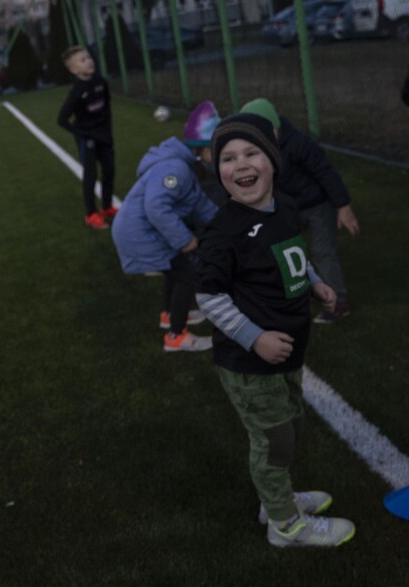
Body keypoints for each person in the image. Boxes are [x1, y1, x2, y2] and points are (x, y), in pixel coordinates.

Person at [195, 113, 355, 548]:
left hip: (289, 352)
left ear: (273, 160)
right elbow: (208, 297)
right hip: (250, 362)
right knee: (273, 441)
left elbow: (292, 253)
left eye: (252, 152)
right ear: (218, 170)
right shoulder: (223, 233)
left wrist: (316, 281)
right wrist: (254, 337)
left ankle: (277, 498)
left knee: (290, 426)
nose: (240, 164)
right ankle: (284, 526)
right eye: (228, 157)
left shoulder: (283, 204)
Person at [111, 101, 221, 352]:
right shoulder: (176, 168)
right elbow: (156, 208)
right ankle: (176, 337)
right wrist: (185, 240)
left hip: (147, 231)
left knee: (175, 271)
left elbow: (199, 204)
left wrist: (227, 223)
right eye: (216, 151)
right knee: (186, 274)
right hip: (140, 233)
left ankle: (169, 316)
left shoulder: (185, 166)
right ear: (201, 148)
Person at [240, 98, 358, 323]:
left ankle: (338, 303)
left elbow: (326, 173)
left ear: (276, 126)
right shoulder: (254, 152)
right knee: (283, 252)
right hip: (287, 209)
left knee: (323, 252)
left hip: (317, 205)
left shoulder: (299, 143)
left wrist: (343, 206)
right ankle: (291, 297)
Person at [57, 46, 118, 230]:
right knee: (90, 176)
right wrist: (82, 134)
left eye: (89, 57)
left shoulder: (101, 82)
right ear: (74, 70)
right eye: (82, 60)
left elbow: (106, 107)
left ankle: (107, 207)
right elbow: (62, 119)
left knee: (109, 171)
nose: (89, 61)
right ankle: (91, 214)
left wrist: (107, 132)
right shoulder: (76, 91)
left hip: (104, 135)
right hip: (88, 139)